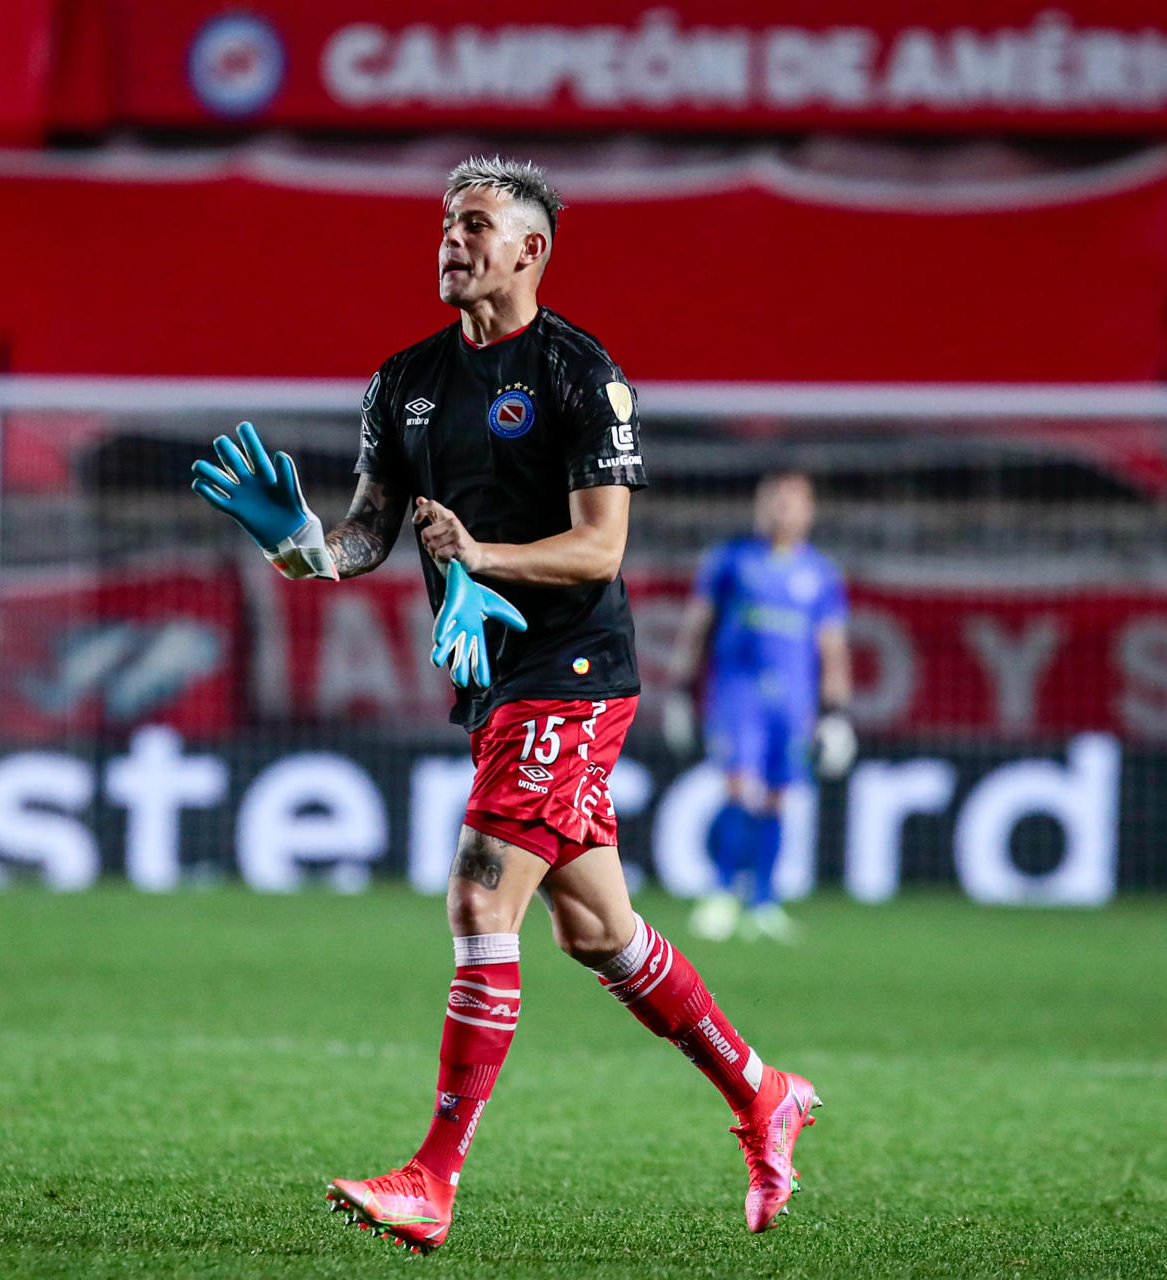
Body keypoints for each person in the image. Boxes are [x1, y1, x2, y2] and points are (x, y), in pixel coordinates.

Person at [190, 157, 820, 1254]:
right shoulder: (404, 382)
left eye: (474, 224)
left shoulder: (581, 374)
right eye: (444, 222)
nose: (450, 240)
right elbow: (362, 536)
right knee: (599, 930)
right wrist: (297, 544)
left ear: (530, 250)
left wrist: (483, 554)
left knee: (483, 898)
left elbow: (602, 546)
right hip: (491, 684)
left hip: (574, 670)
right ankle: (763, 1089)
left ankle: (434, 1177)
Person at [663, 472, 856, 944]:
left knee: (776, 796)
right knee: (737, 787)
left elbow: (832, 646)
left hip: (793, 700)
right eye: (771, 501)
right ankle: (722, 894)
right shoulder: (730, 562)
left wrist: (836, 712)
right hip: (737, 691)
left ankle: (764, 901)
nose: (779, 511)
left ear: (809, 511)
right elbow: (697, 626)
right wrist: (679, 690)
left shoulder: (821, 574)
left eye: (790, 502)